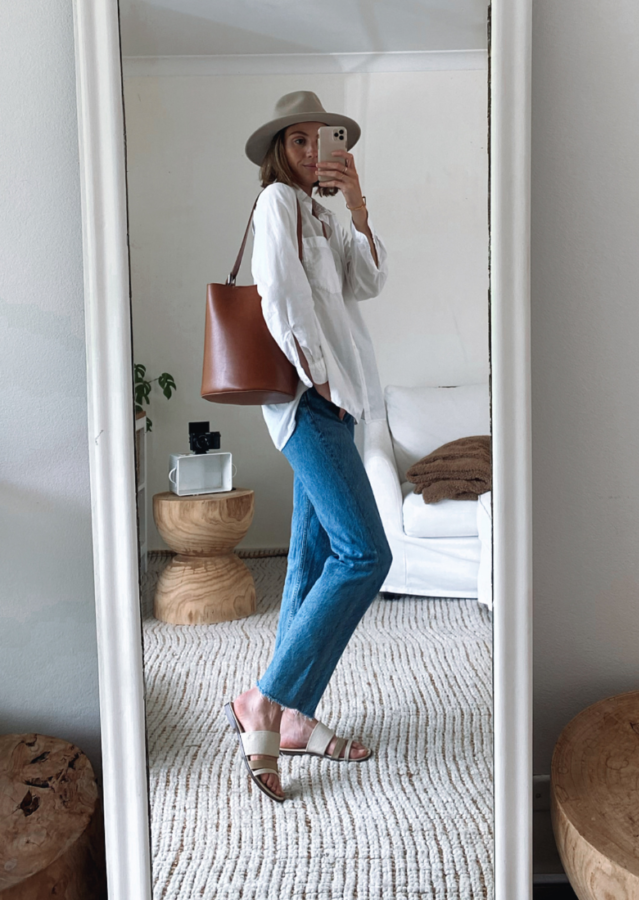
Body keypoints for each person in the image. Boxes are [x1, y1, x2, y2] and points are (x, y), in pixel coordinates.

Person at [225, 91, 392, 803]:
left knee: (314, 558)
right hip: (309, 399)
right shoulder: (274, 207)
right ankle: (264, 700)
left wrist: (357, 210)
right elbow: (277, 297)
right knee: (366, 554)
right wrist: (318, 381)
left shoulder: (319, 216)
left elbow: (368, 284)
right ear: (276, 151)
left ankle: (292, 719)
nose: (307, 152)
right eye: (295, 141)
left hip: (340, 399)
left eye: (317, 141)